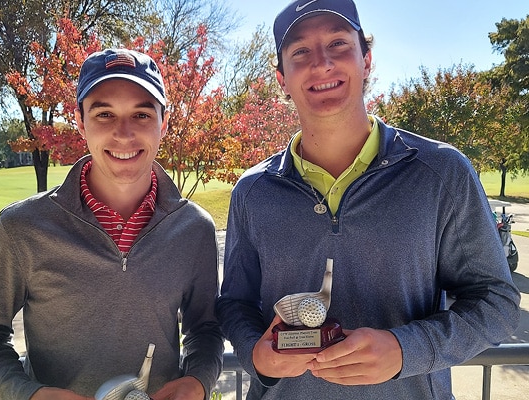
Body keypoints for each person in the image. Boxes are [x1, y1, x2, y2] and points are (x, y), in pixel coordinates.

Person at [215, 1, 521, 399]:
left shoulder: (442, 172)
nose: (322, 63)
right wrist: (257, 357)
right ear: (281, 78)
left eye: (338, 44)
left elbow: (496, 302)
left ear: (367, 60)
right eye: (301, 52)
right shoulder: (252, 191)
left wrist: (405, 350)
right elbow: (235, 303)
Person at [0, 48, 223, 400]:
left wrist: (198, 381)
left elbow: (205, 330)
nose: (124, 133)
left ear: (165, 121)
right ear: (80, 121)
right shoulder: (21, 227)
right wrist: (30, 395)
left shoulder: (194, 228)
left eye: (142, 114)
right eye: (104, 114)